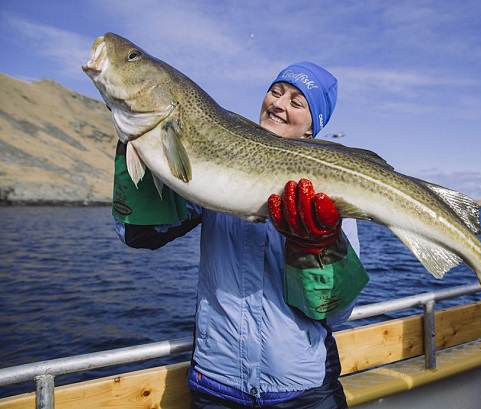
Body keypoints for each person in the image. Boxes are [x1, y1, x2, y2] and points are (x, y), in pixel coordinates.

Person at [112, 61, 369, 409]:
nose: (278, 104)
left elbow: (336, 314)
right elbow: (140, 233)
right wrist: (140, 132)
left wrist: (318, 247)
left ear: (312, 128)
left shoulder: (329, 197)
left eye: (297, 102)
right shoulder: (212, 169)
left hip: (304, 391)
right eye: (276, 93)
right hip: (216, 386)